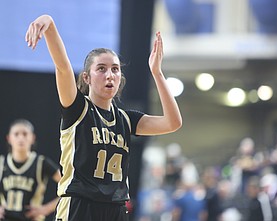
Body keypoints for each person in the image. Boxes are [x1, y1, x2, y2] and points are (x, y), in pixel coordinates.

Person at [25, 14, 182, 221]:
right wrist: (49, 24)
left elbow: (173, 122)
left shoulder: (126, 120)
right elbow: (63, 67)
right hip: (79, 205)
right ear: (86, 77)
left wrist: (157, 73)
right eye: (101, 69)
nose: (110, 75)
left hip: (115, 209)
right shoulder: (77, 109)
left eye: (115, 69)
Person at [0, 119, 61, 221]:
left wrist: (46, 209)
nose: (21, 138)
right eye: (16, 134)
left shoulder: (42, 163)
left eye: (25, 134)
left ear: (33, 138)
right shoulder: (1, 163)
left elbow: (69, 185)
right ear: (9, 138)